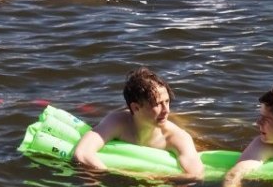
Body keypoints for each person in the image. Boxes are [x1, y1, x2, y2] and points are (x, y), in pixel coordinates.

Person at [72, 67, 205, 180]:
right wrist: (114, 175)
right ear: (135, 108)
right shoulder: (118, 122)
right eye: (157, 104)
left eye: (167, 101)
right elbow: (82, 153)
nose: (166, 110)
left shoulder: (177, 137)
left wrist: (156, 177)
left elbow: (196, 174)